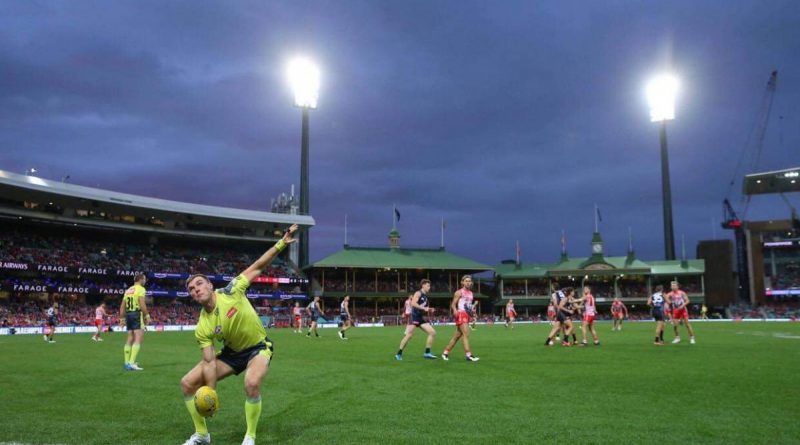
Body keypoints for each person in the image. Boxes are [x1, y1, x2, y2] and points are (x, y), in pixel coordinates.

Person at [179, 224, 297, 445]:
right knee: (187, 383)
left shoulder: (232, 290)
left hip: (258, 348)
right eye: (192, 290)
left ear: (210, 285)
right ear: (192, 297)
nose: (196, 289)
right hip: (232, 354)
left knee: (251, 383)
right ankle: (202, 435)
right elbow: (208, 362)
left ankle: (250, 436)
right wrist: (211, 392)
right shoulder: (202, 326)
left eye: (199, 284)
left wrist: (281, 243)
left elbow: (258, 266)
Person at [395, 279, 437, 360]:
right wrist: (423, 308)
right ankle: (398, 354)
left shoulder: (425, 296)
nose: (429, 287)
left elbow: (423, 307)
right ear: (423, 285)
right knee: (409, 336)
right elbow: (413, 303)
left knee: (432, 333)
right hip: (414, 317)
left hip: (420, 318)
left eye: (429, 286)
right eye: (428, 286)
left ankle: (427, 353)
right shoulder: (418, 293)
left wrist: (429, 309)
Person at [441, 275, 480, 361]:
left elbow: (469, 305)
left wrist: (473, 313)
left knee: (457, 336)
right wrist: (455, 310)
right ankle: (468, 355)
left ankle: (445, 352)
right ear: (462, 282)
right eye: (466, 281)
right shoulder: (459, 292)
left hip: (467, 315)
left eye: (469, 281)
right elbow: (453, 304)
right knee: (466, 334)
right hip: (461, 314)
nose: (468, 282)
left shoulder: (471, 293)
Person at [119, 274, 150, 371]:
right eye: (144, 279)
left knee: (130, 338)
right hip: (136, 314)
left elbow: (122, 306)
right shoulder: (141, 289)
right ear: (140, 279)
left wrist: (122, 319)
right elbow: (142, 303)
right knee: (138, 338)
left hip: (128, 314)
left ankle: (126, 362)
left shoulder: (128, 290)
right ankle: (132, 363)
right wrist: (147, 315)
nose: (145, 281)